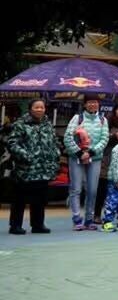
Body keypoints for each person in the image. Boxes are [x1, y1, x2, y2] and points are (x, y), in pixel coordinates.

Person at [7, 100, 58, 235]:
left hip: (44, 168)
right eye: (37, 107)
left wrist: (55, 153)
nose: (40, 109)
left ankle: (38, 224)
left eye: (42, 107)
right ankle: (15, 225)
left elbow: (54, 142)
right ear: (30, 109)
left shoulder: (48, 124)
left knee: (40, 198)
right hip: (25, 168)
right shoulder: (20, 124)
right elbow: (12, 143)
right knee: (20, 198)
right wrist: (26, 155)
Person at [64, 94, 109, 231]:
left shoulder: (103, 120)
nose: (92, 105)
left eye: (95, 102)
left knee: (92, 190)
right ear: (84, 104)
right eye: (89, 102)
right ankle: (77, 219)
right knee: (76, 189)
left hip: (94, 159)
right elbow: (68, 137)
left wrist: (91, 153)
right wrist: (79, 153)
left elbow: (104, 138)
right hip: (76, 158)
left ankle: (89, 219)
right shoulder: (77, 118)